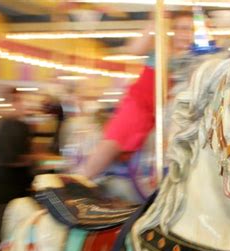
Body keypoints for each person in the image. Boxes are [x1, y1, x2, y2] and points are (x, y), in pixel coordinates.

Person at [78, 11, 194, 179]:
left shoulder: (196, 58)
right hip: (141, 103)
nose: (186, 34)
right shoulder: (161, 46)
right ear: (172, 30)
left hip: (167, 110)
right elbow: (134, 49)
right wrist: (155, 22)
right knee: (115, 139)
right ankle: (83, 177)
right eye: (182, 28)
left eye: (191, 29)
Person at [0, 88, 33, 243]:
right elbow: (10, 158)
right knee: (9, 239)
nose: (21, 104)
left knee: (10, 239)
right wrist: (32, 159)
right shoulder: (9, 126)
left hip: (10, 189)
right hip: (8, 190)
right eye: (17, 101)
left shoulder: (15, 126)